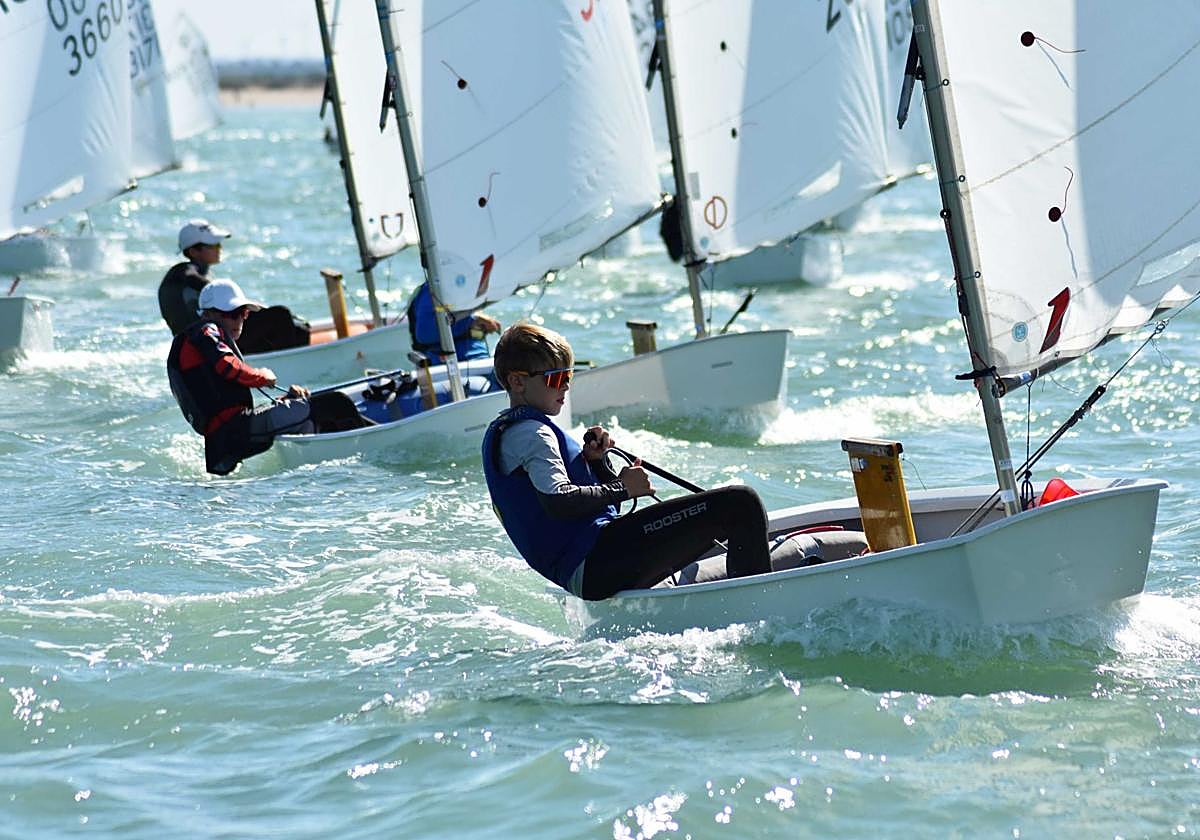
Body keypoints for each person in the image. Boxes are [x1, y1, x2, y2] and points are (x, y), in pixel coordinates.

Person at [481, 323, 774, 600]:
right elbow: (559, 502)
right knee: (740, 503)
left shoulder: (518, 431)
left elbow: (594, 510)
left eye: (569, 377)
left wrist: (596, 464)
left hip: (593, 563)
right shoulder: (532, 434)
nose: (566, 387)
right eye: (556, 379)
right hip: (596, 564)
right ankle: (762, 608)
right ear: (517, 381)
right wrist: (624, 487)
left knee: (735, 506)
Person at [166, 279, 370, 475]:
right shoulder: (206, 331)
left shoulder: (201, 338)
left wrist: (286, 400)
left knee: (305, 406)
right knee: (335, 403)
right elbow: (226, 366)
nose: (239, 320)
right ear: (208, 314)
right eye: (231, 314)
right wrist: (261, 376)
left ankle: (327, 463)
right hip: (236, 430)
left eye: (243, 313)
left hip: (229, 434)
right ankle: (367, 451)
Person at [158, 220, 310, 353]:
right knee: (280, 314)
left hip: (215, 336)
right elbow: (190, 277)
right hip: (205, 344)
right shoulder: (182, 271)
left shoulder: (202, 272)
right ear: (193, 251)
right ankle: (285, 362)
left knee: (300, 330)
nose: (219, 248)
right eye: (214, 245)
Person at [407, 281, 502, 364]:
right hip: (446, 360)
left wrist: (474, 317)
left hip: (476, 354)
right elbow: (424, 335)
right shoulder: (430, 291)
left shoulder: (463, 283)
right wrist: (471, 321)